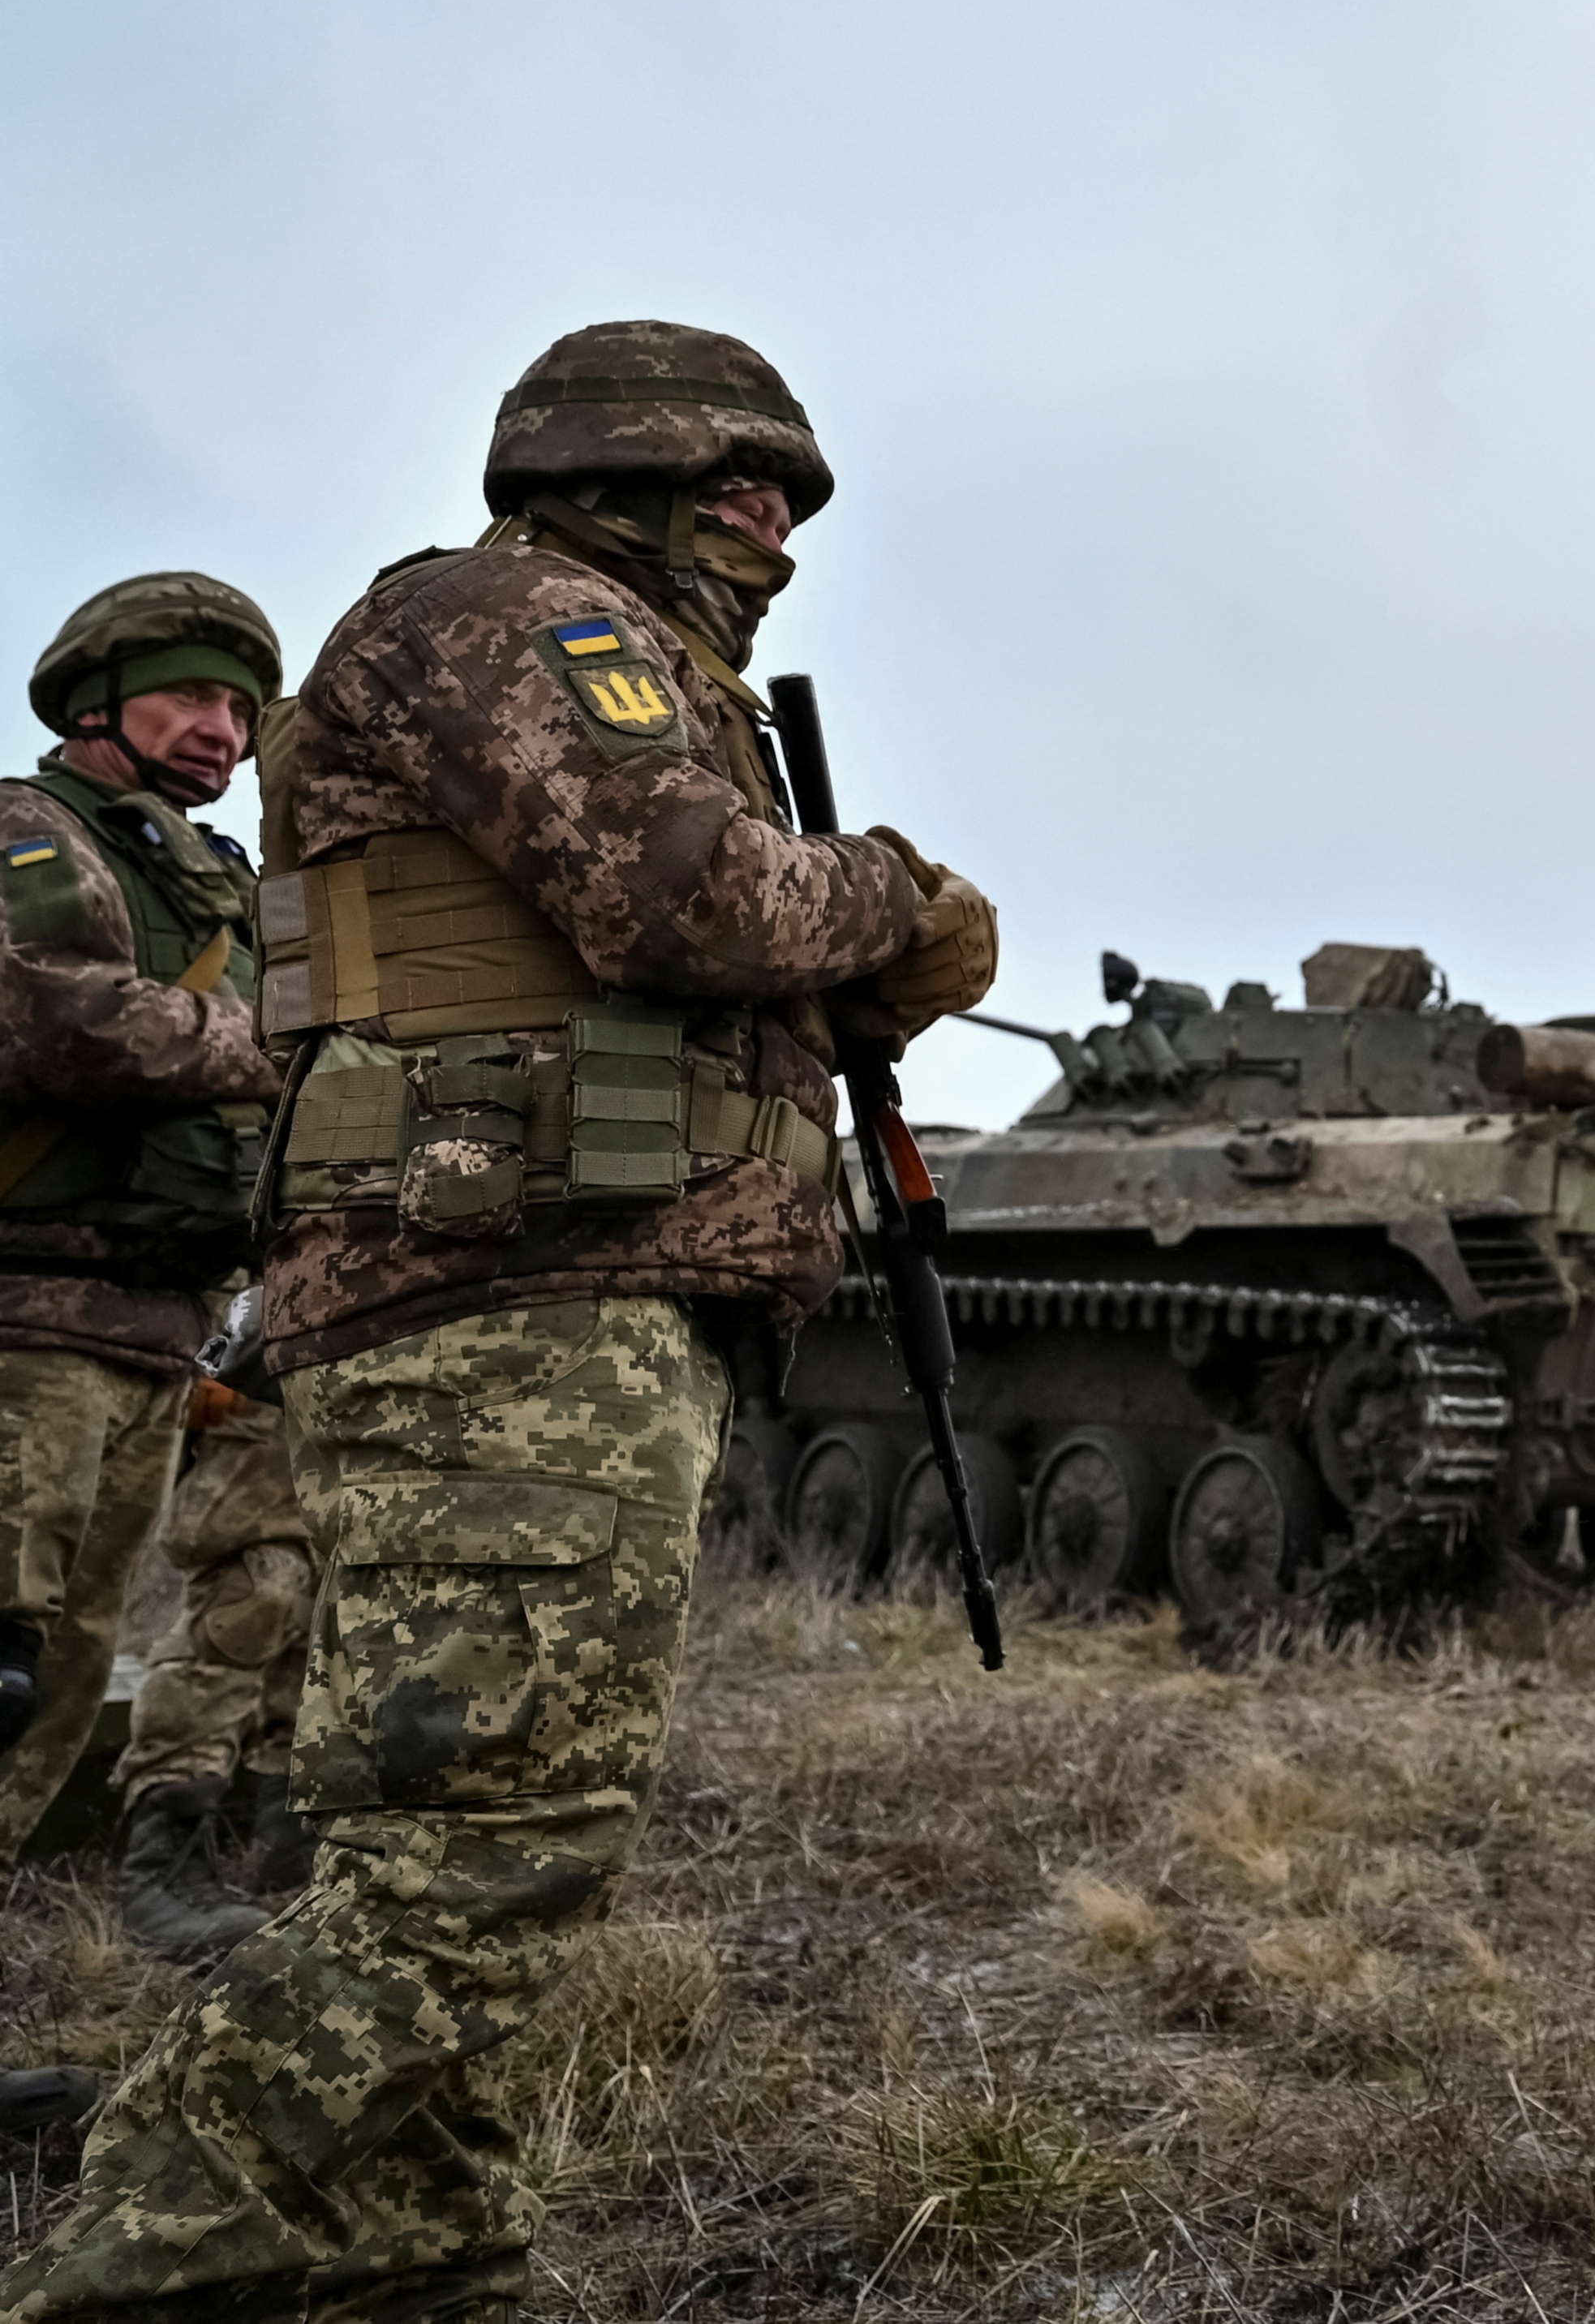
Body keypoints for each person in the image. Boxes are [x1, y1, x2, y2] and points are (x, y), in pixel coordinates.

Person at [0, 322, 999, 2322]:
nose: (771, 519)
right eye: (738, 476)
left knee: (488, 1830)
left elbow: (659, 956)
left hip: (560, 1292)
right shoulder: (517, 619)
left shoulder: (639, 668)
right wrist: (900, 900)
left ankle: (411, 2257)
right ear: (607, 465)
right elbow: (684, 904)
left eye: (792, 491)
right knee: (479, 1849)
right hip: (507, 1296)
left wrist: (844, 981)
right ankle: (137, 2264)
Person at [0, 572, 287, 2136]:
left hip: (145, 1339)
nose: (222, 731)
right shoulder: (31, 837)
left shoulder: (210, 884)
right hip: (27, 1325)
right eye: (190, 697)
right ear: (99, 705)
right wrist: (297, 1046)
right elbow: (70, 1025)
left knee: (43, 1708)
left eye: (240, 710)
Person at [105, 1290, 312, 1964]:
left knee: (334, 1619)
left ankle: (296, 1852)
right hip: (263, 1358)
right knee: (256, 1594)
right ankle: (164, 1862)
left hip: (360, 1346)